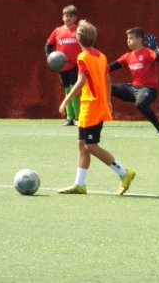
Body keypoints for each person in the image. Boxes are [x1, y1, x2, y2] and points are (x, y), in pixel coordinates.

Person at [57, 19, 136, 195]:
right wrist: (108, 101)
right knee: (82, 145)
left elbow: (81, 81)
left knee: (91, 145)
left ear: (78, 40)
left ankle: (124, 173)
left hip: (90, 107)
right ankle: (79, 184)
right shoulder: (101, 56)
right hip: (97, 105)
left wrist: (66, 101)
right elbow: (107, 80)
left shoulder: (82, 57)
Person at [109, 27, 159, 137]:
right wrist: (94, 70)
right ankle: (98, 121)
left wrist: (156, 50)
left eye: (131, 38)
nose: (128, 40)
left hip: (149, 89)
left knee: (140, 104)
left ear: (140, 39)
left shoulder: (148, 52)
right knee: (106, 87)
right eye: (127, 38)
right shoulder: (127, 56)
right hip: (133, 89)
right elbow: (109, 68)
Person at [45, 5, 81, 126]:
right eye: (66, 15)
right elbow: (48, 45)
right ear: (62, 17)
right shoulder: (57, 31)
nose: (68, 18)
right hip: (61, 66)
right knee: (66, 89)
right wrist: (50, 58)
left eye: (71, 16)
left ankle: (78, 117)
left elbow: (89, 44)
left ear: (75, 17)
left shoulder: (78, 30)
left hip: (75, 65)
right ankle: (69, 118)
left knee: (73, 89)